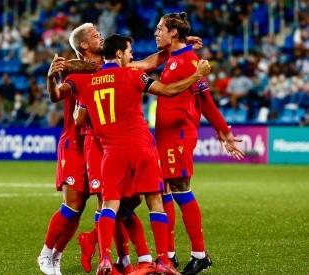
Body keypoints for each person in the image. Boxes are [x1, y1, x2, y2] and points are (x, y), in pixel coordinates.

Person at [70, 34, 211, 275]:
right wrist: (198, 74)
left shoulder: (89, 82)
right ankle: (163, 261)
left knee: (109, 204)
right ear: (118, 54)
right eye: (129, 52)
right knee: (155, 201)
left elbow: (78, 119)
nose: (132, 56)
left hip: (111, 153)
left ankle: (105, 259)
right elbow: (167, 91)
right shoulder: (133, 75)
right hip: (140, 148)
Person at [153, 12, 245, 275]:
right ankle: (168, 254)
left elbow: (205, 100)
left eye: (160, 29)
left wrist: (224, 130)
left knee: (180, 188)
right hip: (165, 135)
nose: (156, 33)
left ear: (173, 33)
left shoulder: (189, 61)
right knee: (163, 190)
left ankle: (199, 254)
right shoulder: (174, 58)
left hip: (179, 136)